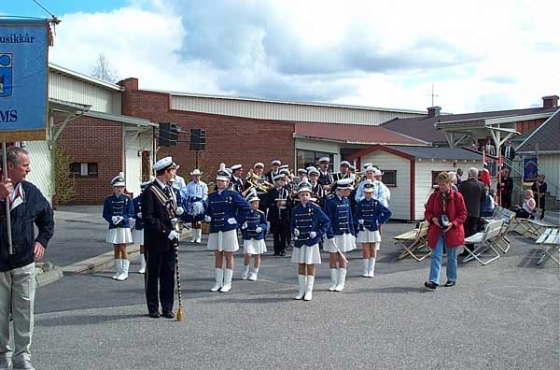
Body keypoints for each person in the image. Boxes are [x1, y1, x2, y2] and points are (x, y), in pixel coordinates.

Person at [0, 147, 54, 370]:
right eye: (25, 165)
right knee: (0, 313)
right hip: (0, 264)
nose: (29, 169)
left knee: (24, 312)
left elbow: (47, 218)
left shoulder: (31, 192)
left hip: (23, 263)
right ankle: (3, 356)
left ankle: (23, 356)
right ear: (10, 166)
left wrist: (41, 240)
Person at [142, 157, 181, 318]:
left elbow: (171, 212)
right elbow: (148, 218)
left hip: (170, 241)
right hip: (155, 240)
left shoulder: (170, 190)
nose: (174, 174)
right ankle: (153, 307)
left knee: (168, 274)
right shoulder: (150, 192)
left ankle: (167, 307)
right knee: (153, 275)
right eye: (173, 171)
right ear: (166, 172)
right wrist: (166, 231)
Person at [205, 164, 251, 293]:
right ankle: (218, 282)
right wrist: (207, 216)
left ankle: (227, 283)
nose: (220, 183)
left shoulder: (233, 194)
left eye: (223, 181)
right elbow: (208, 210)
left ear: (227, 182)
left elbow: (246, 207)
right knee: (217, 255)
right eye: (219, 181)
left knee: (228, 255)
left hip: (228, 228)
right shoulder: (212, 196)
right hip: (215, 228)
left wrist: (237, 220)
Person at [424, 172, 467, 290]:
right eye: (439, 185)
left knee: (451, 256)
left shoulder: (457, 197)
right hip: (437, 229)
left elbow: (463, 214)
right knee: (436, 255)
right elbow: (428, 212)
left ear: (449, 184)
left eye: (443, 185)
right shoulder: (434, 197)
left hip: (452, 230)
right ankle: (433, 281)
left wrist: (453, 224)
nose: (441, 187)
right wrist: (433, 219)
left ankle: (451, 278)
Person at [290, 181, 331, 301]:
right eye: (302, 195)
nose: (304, 197)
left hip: (311, 242)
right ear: (298, 196)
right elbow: (291, 224)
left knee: (310, 265)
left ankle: (309, 290)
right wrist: (294, 231)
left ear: (310, 195)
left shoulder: (315, 208)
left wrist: (317, 233)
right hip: (299, 241)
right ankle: (301, 290)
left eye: (306, 195)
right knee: (301, 265)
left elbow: (326, 222)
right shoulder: (295, 209)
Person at [323, 178, 356, 292]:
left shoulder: (346, 200)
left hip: (344, 233)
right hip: (333, 233)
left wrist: (352, 231)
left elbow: (349, 217)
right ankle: (333, 282)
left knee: (342, 257)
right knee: (333, 257)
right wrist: (330, 235)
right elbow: (328, 219)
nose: (350, 192)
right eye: (348, 190)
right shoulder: (330, 201)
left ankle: (341, 283)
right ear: (342, 190)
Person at [354, 180, 392, 278]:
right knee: (365, 249)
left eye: (370, 193)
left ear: (373, 193)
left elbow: (387, 212)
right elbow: (355, 216)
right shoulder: (360, 203)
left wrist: (379, 220)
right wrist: (359, 220)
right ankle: (365, 270)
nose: (368, 195)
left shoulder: (376, 203)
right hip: (364, 228)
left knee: (373, 249)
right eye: (366, 193)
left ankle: (371, 270)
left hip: (373, 228)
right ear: (364, 193)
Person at [103, 172, 135, 281]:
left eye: (121, 187)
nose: (119, 189)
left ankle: (125, 272)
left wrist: (123, 218)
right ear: (113, 188)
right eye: (117, 187)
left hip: (124, 226)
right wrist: (111, 218)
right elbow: (105, 213)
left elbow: (131, 212)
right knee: (116, 248)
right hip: (113, 226)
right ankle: (118, 270)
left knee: (122, 248)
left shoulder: (127, 199)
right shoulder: (108, 199)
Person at [239, 190, 267, 281]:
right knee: (248, 254)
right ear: (249, 204)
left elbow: (264, 223)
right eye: (254, 203)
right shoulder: (245, 213)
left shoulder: (260, 213)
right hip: (248, 236)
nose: (256, 205)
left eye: (257, 203)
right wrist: (243, 225)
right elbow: (241, 222)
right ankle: (245, 269)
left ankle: (255, 272)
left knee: (257, 255)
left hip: (258, 236)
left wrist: (261, 228)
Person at [458, 167, 486, 256]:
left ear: (469, 174)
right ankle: (472, 248)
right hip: (475, 210)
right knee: (473, 230)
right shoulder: (481, 185)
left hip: (465, 211)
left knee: (466, 230)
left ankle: (466, 250)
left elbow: (459, 198)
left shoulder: (463, 184)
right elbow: (483, 199)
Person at [265, 173, 290, 256]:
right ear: (277, 181)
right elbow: (267, 202)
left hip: (284, 215)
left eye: (284, 180)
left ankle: (283, 249)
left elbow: (290, 202)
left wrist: (285, 203)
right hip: (275, 215)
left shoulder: (286, 191)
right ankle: (276, 250)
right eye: (282, 180)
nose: (284, 182)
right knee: (276, 234)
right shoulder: (271, 191)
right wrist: (275, 204)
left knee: (283, 233)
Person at [132, 179, 152, 274]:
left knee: (151, 246)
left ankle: (150, 265)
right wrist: (137, 215)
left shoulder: (152, 199)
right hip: (140, 226)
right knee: (142, 246)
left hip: (150, 226)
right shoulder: (136, 200)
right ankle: (143, 265)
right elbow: (131, 212)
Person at [185, 169, 208, 243]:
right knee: (193, 220)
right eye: (195, 176)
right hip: (192, 203)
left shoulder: (203, 185)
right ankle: (193, 237)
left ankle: (198, 237)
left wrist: (202, 201)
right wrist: (188, 201)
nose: (196, 177)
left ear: (200, 176)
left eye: (197, 176)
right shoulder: (189, 185)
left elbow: (205, 194)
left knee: (198, 221)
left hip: (200, 203)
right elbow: (187, 194)